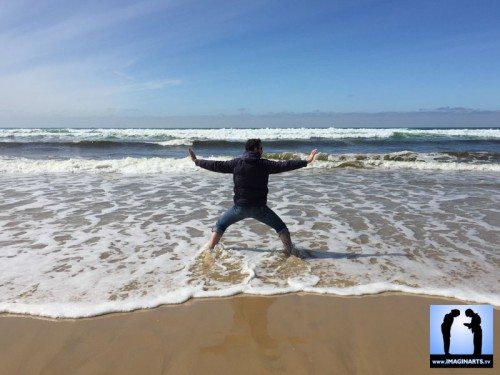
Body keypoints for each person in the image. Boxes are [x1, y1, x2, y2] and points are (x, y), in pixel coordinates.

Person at [188, 139, 317, 257]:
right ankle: (290, 253)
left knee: (220, 225)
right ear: (255, 149)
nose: (262, 150)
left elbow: (216, 165)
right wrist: (306, 161)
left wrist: (197, 161)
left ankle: (209, 251)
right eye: (261, 148)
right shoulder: (264, 164)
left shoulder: (236, 163)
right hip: (260, 209)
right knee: (281, 228)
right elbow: (285, 165)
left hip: (239, 209)